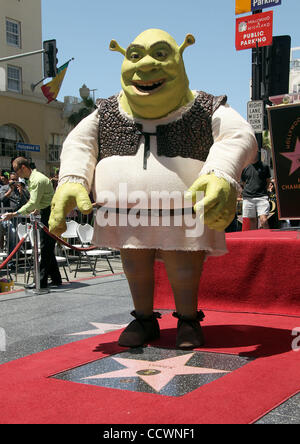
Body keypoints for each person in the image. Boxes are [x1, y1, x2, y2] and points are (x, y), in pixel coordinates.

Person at [49, 29, 257, 349]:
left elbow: (239, 136)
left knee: (183, 263)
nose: (145, 66)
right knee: (134, 263)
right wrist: (72, 180)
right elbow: (79, 144)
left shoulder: (205, 107)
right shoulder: (106, 111)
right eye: (135, 56)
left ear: (179, 56)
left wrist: (220, 172)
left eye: (160, 54)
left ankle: (188, 319)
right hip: (126, 213)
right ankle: (143, 318)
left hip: (182, 212)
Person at [2, 157, 62, 289]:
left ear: (23, 168)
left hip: (49, 215)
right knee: (47, 249)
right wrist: (37, 209)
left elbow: (33, 202)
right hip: (47, 213)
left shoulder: (36, 180)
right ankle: (56, 279)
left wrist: (14, 214)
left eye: (16, 170)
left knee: (45, 249)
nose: (15, 174)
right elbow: (42, 200)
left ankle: (40, 281)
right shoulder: (36, 178)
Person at [241, 155, 271, 230]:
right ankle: (254, 240)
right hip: (248, 197)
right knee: (252, 221)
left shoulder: (264, 166)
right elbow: (244, 182)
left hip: (262, 197)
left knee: (263, 220)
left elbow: (268, 181)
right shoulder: (245, 167)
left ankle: (268, 239)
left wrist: (264, 190)